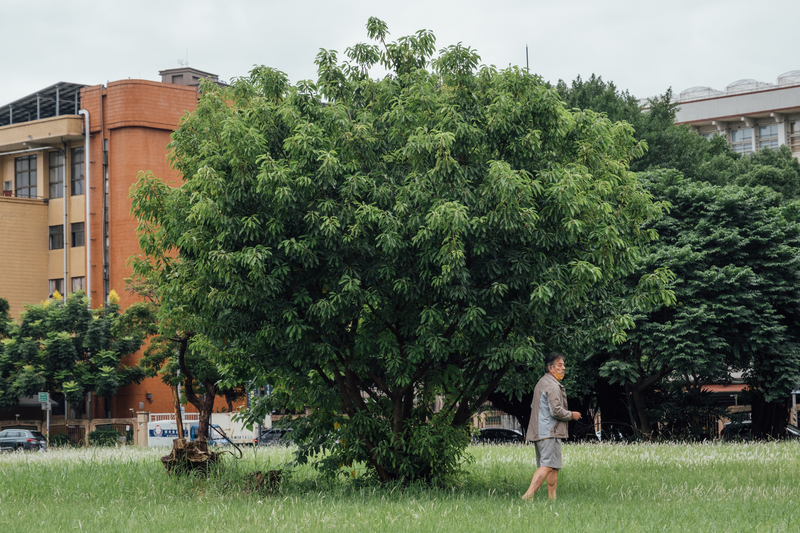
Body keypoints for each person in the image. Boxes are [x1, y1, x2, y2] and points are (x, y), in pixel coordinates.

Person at [522, 352, 581, 500]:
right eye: (559, 365)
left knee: (553, 467)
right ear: (550, 368)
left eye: (563, 365)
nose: (563, 368)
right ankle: (528, 495)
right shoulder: (552, 385)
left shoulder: (542, 382)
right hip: (549, 431)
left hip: (541, 431)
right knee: (547, 465)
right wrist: (572, 415)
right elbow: (556, 411)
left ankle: (552, 499)